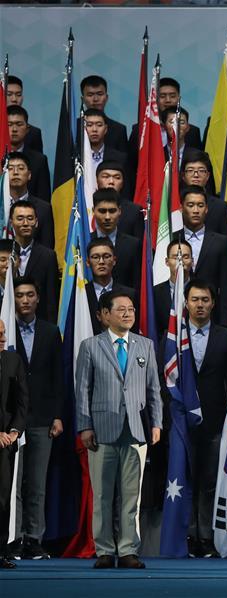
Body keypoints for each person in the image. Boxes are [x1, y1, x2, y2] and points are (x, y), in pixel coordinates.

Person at [75, 290, 162, 569]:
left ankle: (127, 550)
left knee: (131, 496)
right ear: (105, 315)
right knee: (101, 494)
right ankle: (103, 550)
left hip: (136, 430)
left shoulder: (145, 345)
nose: (128, 314)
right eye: (121, 309)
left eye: (132, 309)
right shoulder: (90, 346)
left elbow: (154, 390)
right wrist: (85, 425)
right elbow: (82, 391)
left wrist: (157, 423)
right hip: (101, 429)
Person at [182, 280, 227, 558]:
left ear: (213, 303)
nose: (200, 305)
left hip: (216, 423)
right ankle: (186, 535)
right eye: (195, 300)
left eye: (205, 299)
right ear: (186, 303)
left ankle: (205, 537)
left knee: (208, 482)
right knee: (183, 480)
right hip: (181, 424)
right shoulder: (173, 337)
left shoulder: (226, 337)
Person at [10, 277, 63, 560]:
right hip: (11, 420)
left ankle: (34, 538)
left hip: (43, 417)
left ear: (38, 298)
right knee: (14, 484)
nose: (26, 300)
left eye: (31, 294)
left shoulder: (51, 331)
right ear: (13, 299)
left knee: (37, 483)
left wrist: (57, 416)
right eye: (20, 295)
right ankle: (13, 538)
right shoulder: (4, 328)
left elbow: (58, 377)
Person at [177, 186, 227, 326]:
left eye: (200, 205)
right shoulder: (173, 239)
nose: (196, 210)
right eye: (190, 205)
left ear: (207, 209)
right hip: (177, 314)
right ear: (181, 208)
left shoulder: (221, 242)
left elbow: (226, 285)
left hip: (212, 317)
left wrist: (225, 323)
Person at [0, 319, 29, 570]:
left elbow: (22, 401)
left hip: (6, 443)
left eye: (3, 333)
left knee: (2, 498)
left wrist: (14, 430)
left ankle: (1, 551)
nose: (2, 338)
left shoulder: (13, 360)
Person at [10, 200, 58, 323]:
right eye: (20, 218)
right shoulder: (3, 253)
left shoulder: (48, 256)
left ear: (36, 222)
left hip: (38, 324)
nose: (25, 223)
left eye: (30, 218)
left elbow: (51, 301)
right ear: (11, 223)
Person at [85, 237, 135, 335]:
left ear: (114, 260)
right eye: (95, 257)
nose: (101, 262)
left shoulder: (129, 294)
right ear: (88, 262)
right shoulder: (81, 294)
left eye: (106, 256)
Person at [92, 189, 141, 290]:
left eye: (112, 211)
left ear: (120, 211)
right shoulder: (84, 242)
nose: (107, 217)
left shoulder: (133, 245)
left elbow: (137, 283)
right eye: (102, 211)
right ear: (93, 211)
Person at [3, 152, 54, 249]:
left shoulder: (43, 209)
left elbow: (47, 248)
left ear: (29, 175)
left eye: (21, 168)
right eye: (10, 168)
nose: (15, 172)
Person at [180, 149, 227, 237]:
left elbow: (226, 242)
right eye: (190, 170)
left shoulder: (220, 207)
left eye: (201, 170)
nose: (196, 175)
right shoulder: (174, 204)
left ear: (208, 175)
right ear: (183, 176)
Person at [6, 106, 51, 201]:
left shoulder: (39, 160)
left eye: (19, 124)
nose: (14, 129)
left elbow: (43, 198)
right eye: (9, 124)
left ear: (27, 129)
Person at [153, 239, 193, 343]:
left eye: (185, 257)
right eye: (176, 257)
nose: (181, 262)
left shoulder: (202, 292)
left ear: (192, 261)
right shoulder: (154, 293)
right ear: (167, 261)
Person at [96, 161, 144, 240]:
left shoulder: (134, 211)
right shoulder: (85, 206)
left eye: (117, 177)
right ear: (97, 180)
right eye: (105, 177)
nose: (111, 182)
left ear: (122, 183)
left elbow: (138, 246)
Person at [80, 75, 128, 153]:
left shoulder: (119, 130)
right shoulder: (73, 127)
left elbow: (124, 163)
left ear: (106, 97)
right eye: (90, 95)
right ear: (82, 99)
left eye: (99, 94)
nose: (95, 99)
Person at [5, 75, 43, 152]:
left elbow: (38, 161)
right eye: (9, 94)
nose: (14, 99)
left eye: (18, 95)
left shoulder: (34, 133)